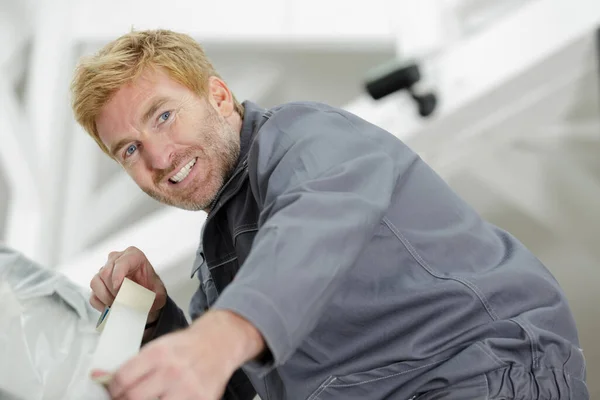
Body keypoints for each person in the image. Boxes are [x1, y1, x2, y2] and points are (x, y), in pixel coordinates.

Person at [70, 29, 588, 400]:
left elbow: (314, 228)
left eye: (163, 116)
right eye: (130, 150)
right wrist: (159, 320)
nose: (158, 157)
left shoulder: (303, 137)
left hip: (476, 373)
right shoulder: (222, 250)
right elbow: (227, 383)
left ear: (220, 97)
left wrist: (218, 337)